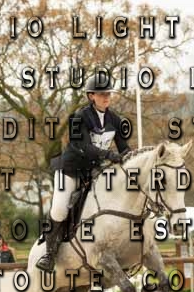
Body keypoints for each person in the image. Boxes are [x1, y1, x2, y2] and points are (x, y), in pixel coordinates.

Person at [37, 72, 131, 272]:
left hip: (92, 172)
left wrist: (134, 159)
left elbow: (124, 149)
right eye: (102, 94)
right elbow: (85, 148)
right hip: (70, 171)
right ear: (91, 96)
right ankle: (49, 254)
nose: (106, 97)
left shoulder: (115, 119)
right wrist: (109, 155)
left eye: (108, 93)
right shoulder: (79, 117)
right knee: (60, 209)